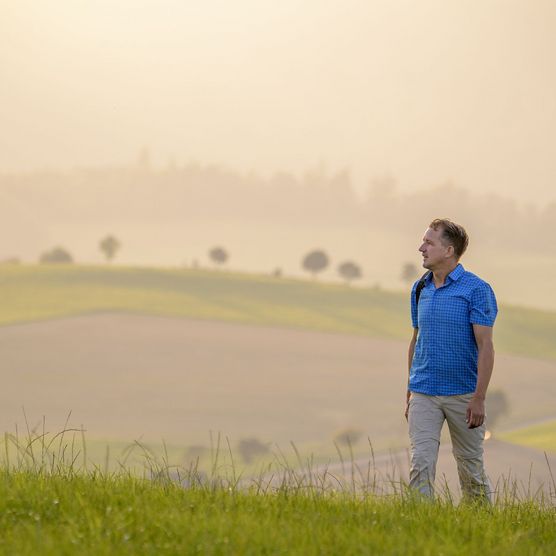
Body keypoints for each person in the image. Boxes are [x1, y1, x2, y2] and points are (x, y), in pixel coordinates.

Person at [405, 218, 497, 501]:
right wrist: (409, 391)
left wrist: (479, 397)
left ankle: (482, 526)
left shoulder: (476, 290)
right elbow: (415, 340)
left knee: (471, 469)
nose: (421, 248)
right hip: (423, 393)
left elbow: (486, 345)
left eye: (429, 242)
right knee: (420, 463)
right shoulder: (420, 288)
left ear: (449, 250)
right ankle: (418, 526)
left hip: (464, 395)